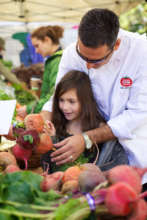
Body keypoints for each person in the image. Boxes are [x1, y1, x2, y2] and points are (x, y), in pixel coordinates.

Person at [41, 9, 147, 189]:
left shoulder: (141, 52)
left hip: (136, 151)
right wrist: (42, 121)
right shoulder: (70, 53)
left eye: (96, 61)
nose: (88, 65)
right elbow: (58, 95)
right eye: (83, 57)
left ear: (116, 45)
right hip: (98, 156)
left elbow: (138, 113)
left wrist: (86, 139)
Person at [42, 70, 128, 172]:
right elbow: (50, 166)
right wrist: (51, 139)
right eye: (61, 100)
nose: (65, 107)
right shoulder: (57, 126)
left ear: (85, 101)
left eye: (71, 101)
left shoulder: (100, 130)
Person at [17, 25, 64, 117]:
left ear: (47, 40)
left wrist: (30, 109)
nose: (36, 51)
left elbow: (53, 93)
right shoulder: (52, 60)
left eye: (37, 46)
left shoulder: (58, 61)